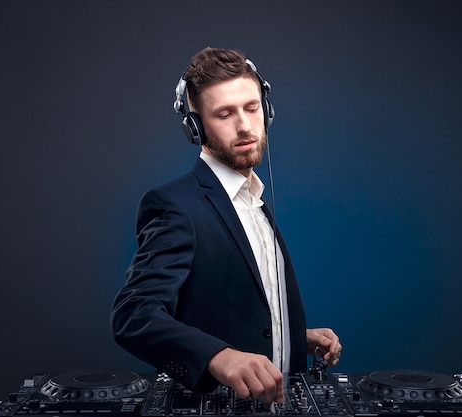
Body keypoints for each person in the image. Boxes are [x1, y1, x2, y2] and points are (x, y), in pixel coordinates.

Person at [110, 47, 341, 404]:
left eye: (252, 108)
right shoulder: (174, 205)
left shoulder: (256, 202)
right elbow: (133, 315)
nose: (245, 125)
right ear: (196, 127)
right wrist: (218, 356)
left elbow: (229, 304)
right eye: (224, 114)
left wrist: (291, 335)